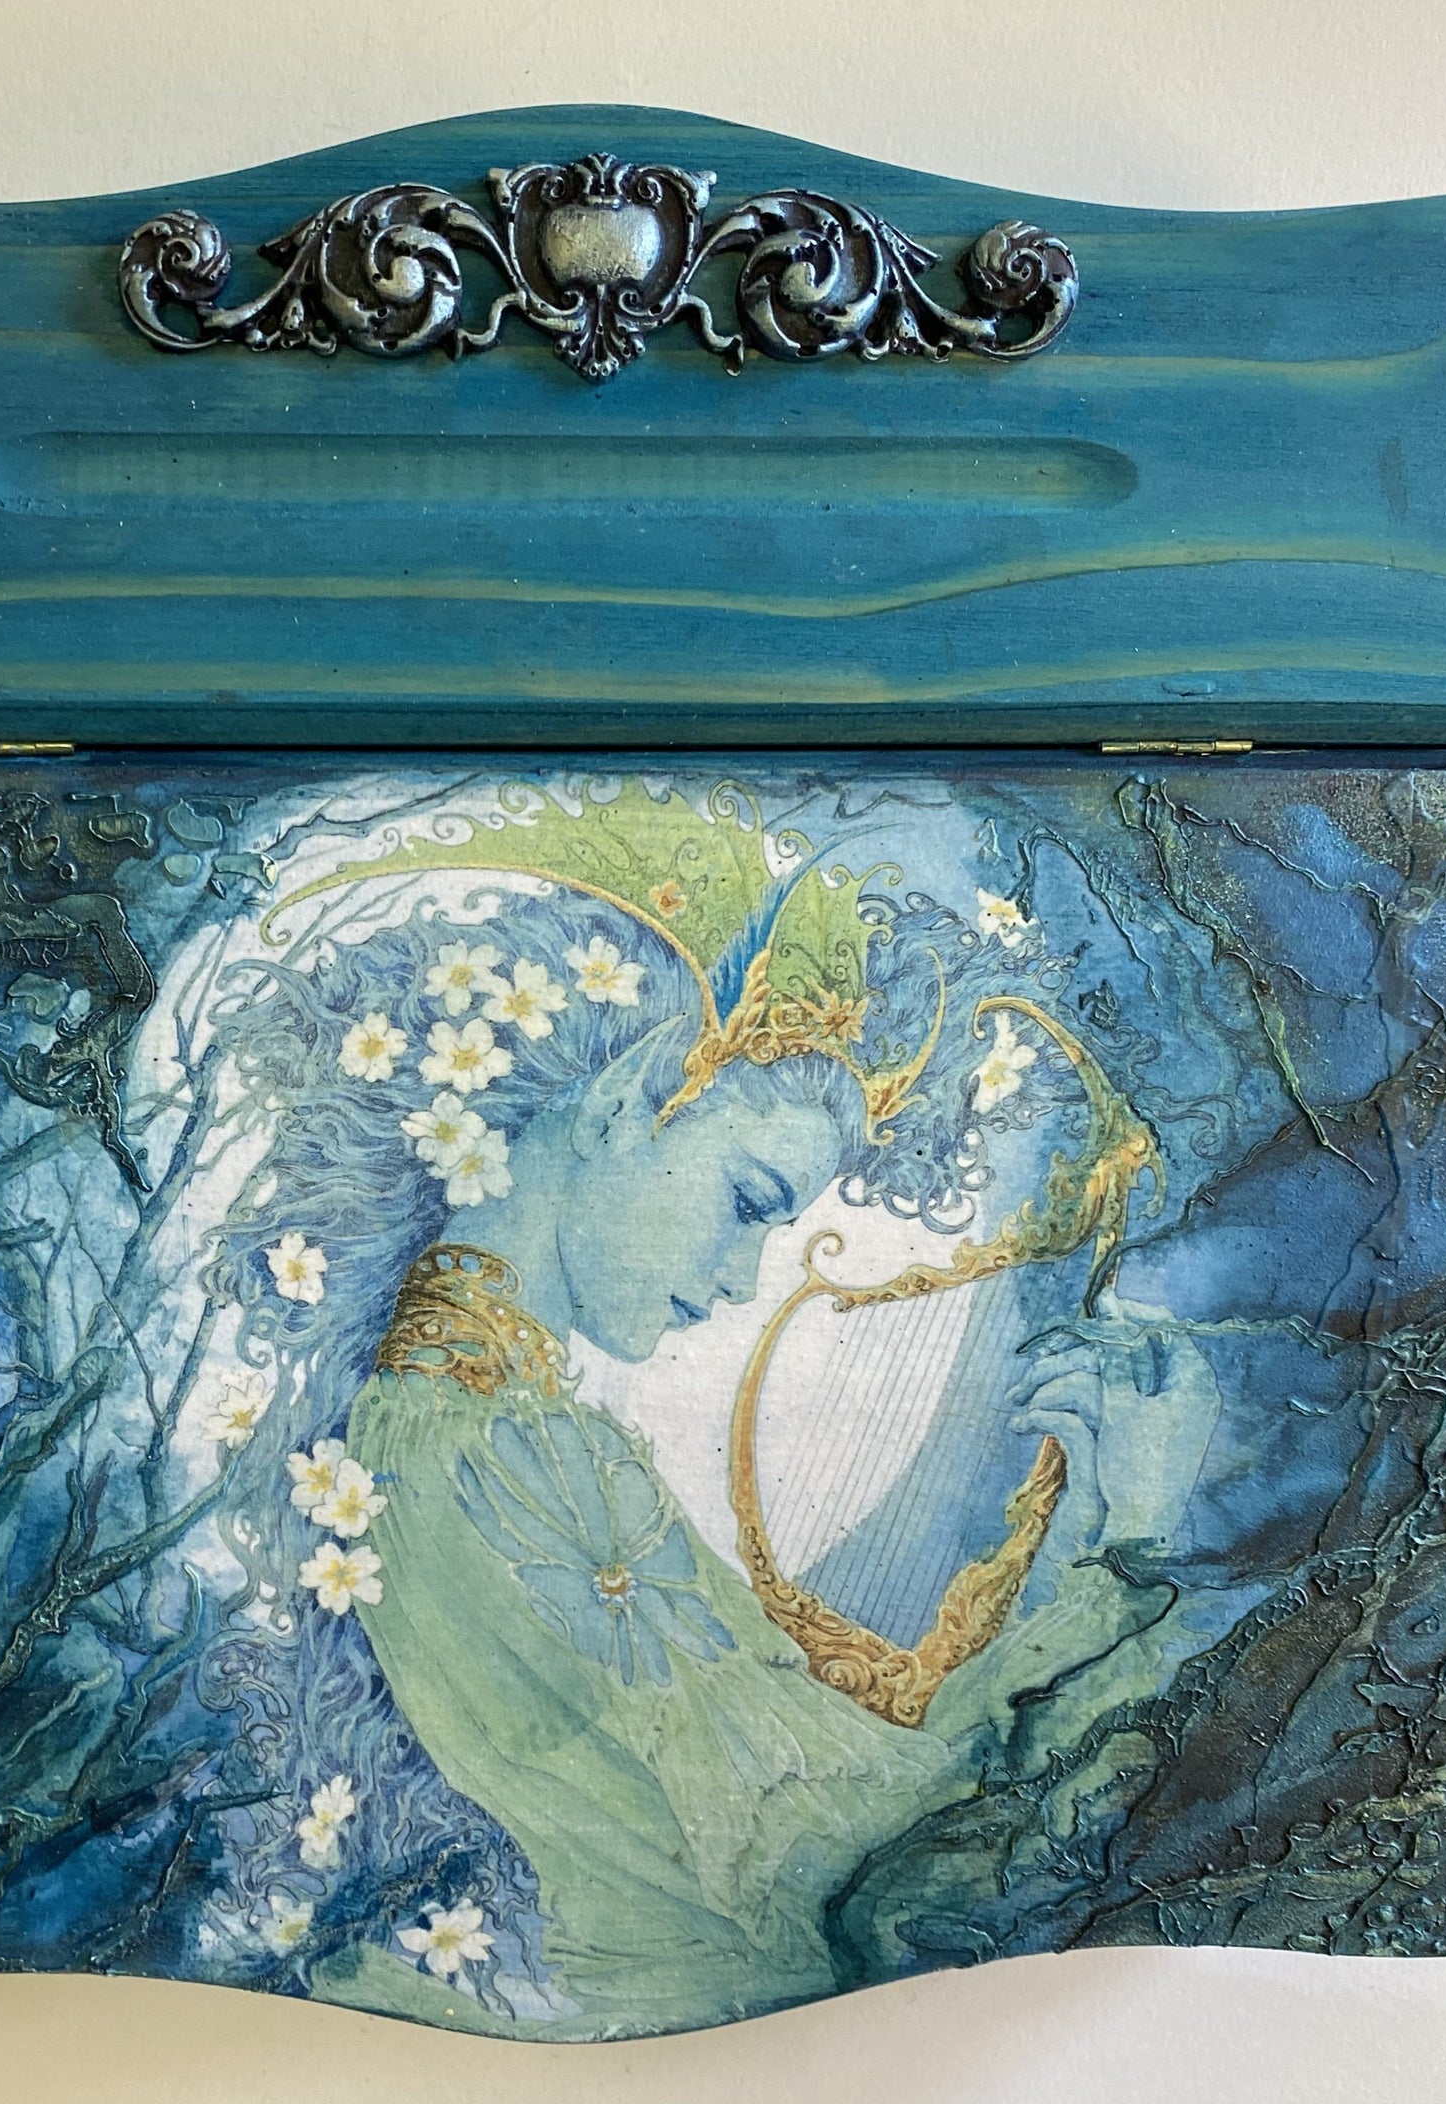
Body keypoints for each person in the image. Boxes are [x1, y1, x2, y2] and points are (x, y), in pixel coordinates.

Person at [200, 780, 1221, 2034]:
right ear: (627, 1097)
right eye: (749, 1200)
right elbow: (827, 1849)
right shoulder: (494, 1445)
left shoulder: (463, 1417)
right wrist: (1132, 1548)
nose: (744, 1279)